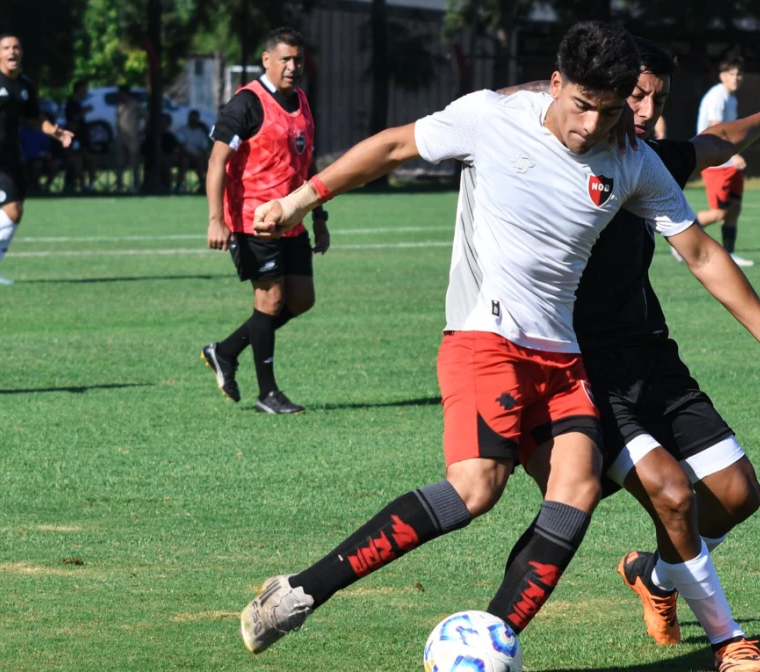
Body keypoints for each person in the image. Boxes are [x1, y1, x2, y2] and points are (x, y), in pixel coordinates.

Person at [237, 20, 699, 655]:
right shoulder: (491, 117)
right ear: (558, 84)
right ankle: (299, 591)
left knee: (578, 490)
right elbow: (396, 145)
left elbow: (707, 181)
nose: (595, 123)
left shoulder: (628, 153)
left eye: (611, 110)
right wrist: (299, 200)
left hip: (562, 360)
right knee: (477, 487)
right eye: (585, 106)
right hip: (488, 339)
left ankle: (489, 645)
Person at [452, 40, 760, 672]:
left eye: (658, 99)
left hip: (651, 355)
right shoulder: (554, 156)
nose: (649, 111)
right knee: (670, 492)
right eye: (637, 96)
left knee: (737, 495)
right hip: (583, 368)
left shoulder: (644, 161)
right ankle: (727, 640)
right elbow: (515, 102)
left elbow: (713, 143)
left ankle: (654, 575)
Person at [200, 27, 329, 415]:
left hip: (292, 218)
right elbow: (216, 162)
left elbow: (308, 164)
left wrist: (319, 216)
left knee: (301, 300)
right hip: (251, 220)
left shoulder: (302, 101)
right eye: (285, 59)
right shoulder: (246, 104)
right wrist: (215, 219)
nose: (293, 67)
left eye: (298, 60)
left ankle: (225, 351)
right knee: (270, 300)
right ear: (266, 60)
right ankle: (267, 394)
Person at [0, 33, 73, 285]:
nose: (12, 52)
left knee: (14, 213)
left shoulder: (25, 85)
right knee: (11, 210)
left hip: (12, 153)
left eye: (16, 47)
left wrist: (54, 131)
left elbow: (34, 117)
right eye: (6, 48)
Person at [694, 56, 752, 267]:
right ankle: (680, 236)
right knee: (720, 211)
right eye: (731, 74)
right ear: (722, 76)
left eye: (739, 74)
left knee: (734, 208)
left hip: (728, 159)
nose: (736, 78)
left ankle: (730, 253)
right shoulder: (717, 96)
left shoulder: (731, 98)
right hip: (715, 160)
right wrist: (733, 154)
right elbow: (716, 129)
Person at [63, 80, 96, 192]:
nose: (86, 92)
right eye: (84, 89)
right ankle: (82, 185)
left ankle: (91, 184)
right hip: (74, 138)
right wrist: (83, 112)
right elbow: (72, 121)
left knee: (90, 159)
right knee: (77, 161)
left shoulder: (81, 102)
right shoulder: (71, 104)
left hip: (83, 138)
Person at [114, 84, 145, 193]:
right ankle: (119, 185)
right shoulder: (119, 105)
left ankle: (136, 186)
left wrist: (141, 130)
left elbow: (145, 116)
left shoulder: (135, 104)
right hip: (120, 137)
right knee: (119, 162)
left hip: (133, 137)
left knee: (134, 163)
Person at [175, 109, 211, 193]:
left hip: (197, 158)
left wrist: (203, 157)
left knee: (201, 161)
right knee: (185, 161)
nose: (192, 120)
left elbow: (204, 149)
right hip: (184, 157)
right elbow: (182, 147)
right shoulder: (182, 130)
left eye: (194, 118)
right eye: (191, 118)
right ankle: (179, 185)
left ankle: (203, 185)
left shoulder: (201, 133)